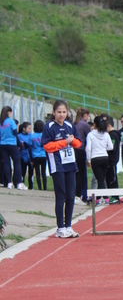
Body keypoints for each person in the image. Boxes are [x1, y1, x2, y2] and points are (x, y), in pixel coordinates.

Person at [41, 99, 82, 238]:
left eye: (64, 112)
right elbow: (47, 146)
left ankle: (68, 225)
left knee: (71, 196)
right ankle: (60, 228)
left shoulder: (70, 125)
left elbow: (78, 143)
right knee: (61, 196)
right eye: (59, 112)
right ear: (53, 112)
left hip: (70, 164)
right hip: (57, 165)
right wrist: (64, 142)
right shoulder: (49, 127)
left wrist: (71, 141)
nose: (62, 115)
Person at [86, 115, 113, 200]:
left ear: (94, 124)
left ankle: (103, 198)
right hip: (105, 157)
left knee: (100, 180)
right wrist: (104, 148)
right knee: (101, 179)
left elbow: (88, 148)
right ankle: (101, 198)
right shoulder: (106, 134)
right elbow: (111, 147)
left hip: (95, 158)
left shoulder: (90, 135)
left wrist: (89, 159)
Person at [0, 106, 25, 189]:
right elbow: (15, 133)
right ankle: (20, 183)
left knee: (6, 163)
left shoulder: (1, 122)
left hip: (2, 144)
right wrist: (20, 144)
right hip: (12, 144)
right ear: (9, 112)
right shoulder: (11, 121)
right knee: (17, 162)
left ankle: (9, 182)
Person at [74, 108, 91, 203]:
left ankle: (76, 194)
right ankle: (79, 195)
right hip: (80, 150)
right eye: (88, 116)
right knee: (81, 174)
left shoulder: (74, 124)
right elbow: (89, 137)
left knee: (75, 173)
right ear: (85, 115)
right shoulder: (84, 125)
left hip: (74, 150)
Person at [106, 117, 121, 203]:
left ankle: (115, 197)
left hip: (112, 160)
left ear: (109, 126)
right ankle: (112, 195)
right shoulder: (112, 134)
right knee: (109, 178)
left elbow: (113, 147)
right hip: (110, 160)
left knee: (112, 179)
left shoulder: (113, 135)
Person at [31, 120, 47, 190]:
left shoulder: (32, 136)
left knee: (37, 172)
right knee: (44, 172)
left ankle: (39, 187)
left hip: (35, 155)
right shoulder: (44, 135)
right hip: (43, 155)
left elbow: (30, 146)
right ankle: (45, 187)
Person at [18, 122, 34, 189]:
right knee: (23, 171)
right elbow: (20, 145)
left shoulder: (31, 136)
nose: (30, 129)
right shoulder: (19, 136)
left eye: (31, 128)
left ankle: (31, 186)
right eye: (29, 128)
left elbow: (31, 145)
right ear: (24, 128)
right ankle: (21, 183)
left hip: (30, 156)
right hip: (22, 155)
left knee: (31, 173)